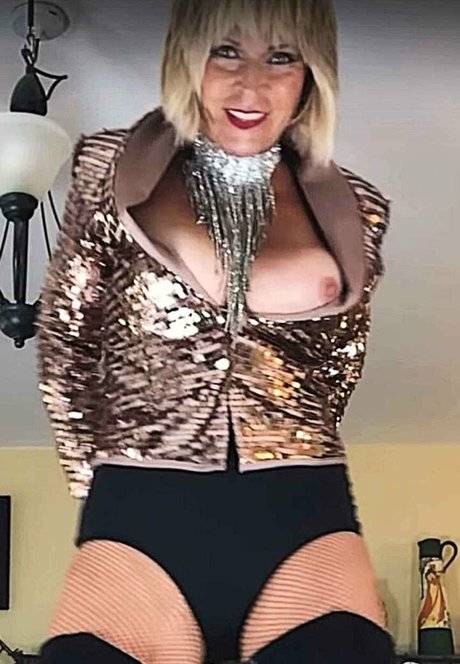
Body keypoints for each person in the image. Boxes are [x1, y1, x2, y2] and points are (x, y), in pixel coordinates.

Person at [35, 0, 395, 662]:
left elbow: (339, 363)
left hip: (305, 518)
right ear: (187, 58)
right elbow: (67, 343)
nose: (250, 85)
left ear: (311, 74)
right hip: (139, 520)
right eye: (226, 51)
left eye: (281, 57)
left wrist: (286, 435)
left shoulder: (358, 208)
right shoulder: (109, 165)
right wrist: (100, 489)